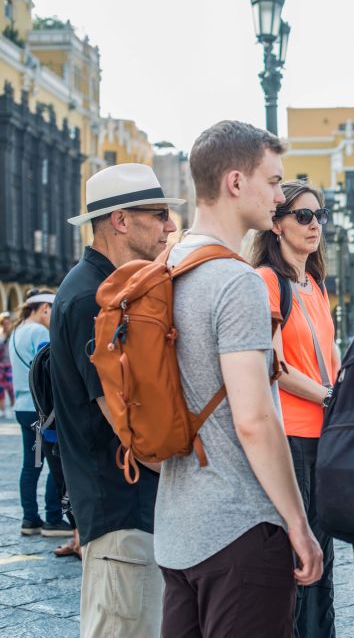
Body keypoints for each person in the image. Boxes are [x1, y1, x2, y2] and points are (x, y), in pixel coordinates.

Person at [155, 120, 323, 637]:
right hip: (241, 529)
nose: (279, 195)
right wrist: (299, 523)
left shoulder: (166, 265)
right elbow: (254, 419)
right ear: (235, 182)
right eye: (273, 182)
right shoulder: (236, 280)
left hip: (177, 529)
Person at [51, 162, 181, 637]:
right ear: (121, 220)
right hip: (121, 509)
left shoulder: (104, 289)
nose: (169, 225)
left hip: (124, 508)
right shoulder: (92, 298)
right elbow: (123, 419)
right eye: (160, 214)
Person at [250, 180, 338, 637]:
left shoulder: (314, 285)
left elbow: (329, 356)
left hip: (325, 434)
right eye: (303, 216)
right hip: (293, 436)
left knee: (324, 552)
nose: (314, 225)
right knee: (301, 556)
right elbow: (275, 365)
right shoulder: (268, 281)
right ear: (277, 224)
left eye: (319, 216)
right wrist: (328, 395)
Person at [8, 289, 73, 541]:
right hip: (41, 409)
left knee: (32, 464)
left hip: (22, 407)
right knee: (55, 460)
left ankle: (30, 518)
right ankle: (54, 518)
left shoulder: (18, 331)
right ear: (45, 309)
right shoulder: (39, 332)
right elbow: (50, 366)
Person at [0, 312, 13, 419]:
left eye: (8, 323)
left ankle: (14, 407)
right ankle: (2, 410)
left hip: (10, 365)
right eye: (4, 323)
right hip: (1, 365)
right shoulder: (0, 335)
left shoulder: (13, 335)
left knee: (11, 387)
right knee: (1, 388)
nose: (6, 325)